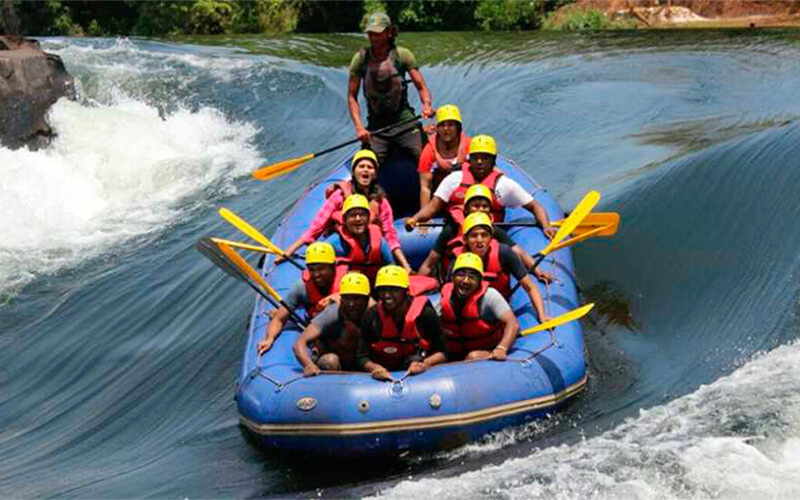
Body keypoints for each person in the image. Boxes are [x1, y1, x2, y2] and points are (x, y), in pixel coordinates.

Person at [283, 149, 411, 271]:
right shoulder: (339, 195)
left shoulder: (381, 201)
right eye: (361, 166)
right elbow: (317, 226)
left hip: (369, 245)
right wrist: (291, 249)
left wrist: (405, 265)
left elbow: (390, 235)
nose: (365, 170)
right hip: (343, 245)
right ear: (353, 171)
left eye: (370, 167)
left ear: (375, 174)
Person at [405, 134, 556, 237]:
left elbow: (535, 206)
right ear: (469, 160)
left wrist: (546, 226)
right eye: (476, 158)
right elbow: (432, 208)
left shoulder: (503, 185)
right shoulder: (454, 179)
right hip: (457, 234)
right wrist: (416, 218)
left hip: (489, 236)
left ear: (493, 161)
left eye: (485, 158)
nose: (480, 162)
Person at [418, 184, 553, 283]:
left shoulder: (491, 231)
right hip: (459, 284)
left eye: (485, 206)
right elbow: (429, 264)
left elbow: (519, 252)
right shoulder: (451, 230)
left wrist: (537, 271)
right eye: (475, 206)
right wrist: (417, 285)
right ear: (466, 209)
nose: (480, 210)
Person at [347, 11, 433, 166]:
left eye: (378, 33)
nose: (374, 37)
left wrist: (426, 105)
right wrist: (360, 128)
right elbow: (352, 97)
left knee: (425, 159)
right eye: (371, 33)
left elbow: (421, 87)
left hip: (405, 123)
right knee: (366, 165)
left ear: (389, 33)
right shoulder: (360, 59)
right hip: (376, 128)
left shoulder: (402, 55)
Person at [450, 212, 551, 323]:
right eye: (474, 236)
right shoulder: (457, 259)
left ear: (491, 237)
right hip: (468, 308)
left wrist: (542, 316)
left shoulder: (503, 253)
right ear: (465, 239)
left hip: (499, 306)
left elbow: (530, 287)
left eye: (484, 235)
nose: (479, 240)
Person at [357, 265, 446, 381]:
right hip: (385, 371)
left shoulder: (425, 314)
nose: (387, 296)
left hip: (418, 372)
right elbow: (361, 356)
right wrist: (374, 367)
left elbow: (443, 352)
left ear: (406, 291)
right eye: (383, 290)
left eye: (394, 290)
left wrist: (424, 364)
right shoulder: (372, 316)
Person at [257, 242, 344, 355]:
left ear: (333, 266)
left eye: (321, 269)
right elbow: (279, 318)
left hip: (346, 329)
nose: (316, 274)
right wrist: (270, 339)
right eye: (312, 270)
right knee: (329, 361)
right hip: (320, 332)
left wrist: (340, 297)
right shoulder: (301, 287)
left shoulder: (347, 281)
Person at [439, 253, 519, 361]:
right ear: (453, 277)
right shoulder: (444, 298)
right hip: (456, 353)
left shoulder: (489, 296)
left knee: (473, 356)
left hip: (488, 350)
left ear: (480, 280)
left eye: (472, 276)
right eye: (461, 274)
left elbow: (512, 323)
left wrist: (502, 348)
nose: (466, 280)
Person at [294, 272, 372, 375]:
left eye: (356, 299)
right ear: (341, 298)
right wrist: (309, 365)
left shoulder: (374, 313)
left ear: (366, 299)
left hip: (361, 360)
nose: (351, 304)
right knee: (330, 360)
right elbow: (299, 343)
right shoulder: (332, 313)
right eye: (347, 298)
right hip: (334, 362)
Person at [324, 194, 394, 282]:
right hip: (346, 289)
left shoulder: (379, 240)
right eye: (353, 215)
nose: (358, 219)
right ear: (344, 220)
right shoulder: (333, 243)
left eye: (362, 215)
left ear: (368, 219)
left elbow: (391, 266)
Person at [418, 104, 471, 207]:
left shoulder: (469, 146)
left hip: (466, 196)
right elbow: (425, 187)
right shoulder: (429, 151)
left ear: (458, 128)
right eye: (442, 125)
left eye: (450, 125)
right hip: (440, 199)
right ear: (437, 128)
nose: (446, 129)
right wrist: (425, 218)